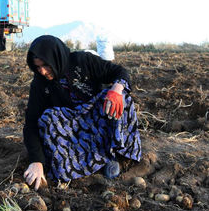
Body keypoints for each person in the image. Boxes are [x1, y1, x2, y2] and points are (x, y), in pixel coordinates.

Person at [23, 35, 141, 190]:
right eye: (38, 67)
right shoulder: (40, 84)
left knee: (121, 99)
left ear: (56, 58)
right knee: (48, 119)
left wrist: (117, 88)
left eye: (46, 65)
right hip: (72, 132)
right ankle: (85, 167)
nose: (43, 71)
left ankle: (119, 157)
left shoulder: (82, 61)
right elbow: (31, 122)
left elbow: (119, 71)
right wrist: (36, 161)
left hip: (97, 119)